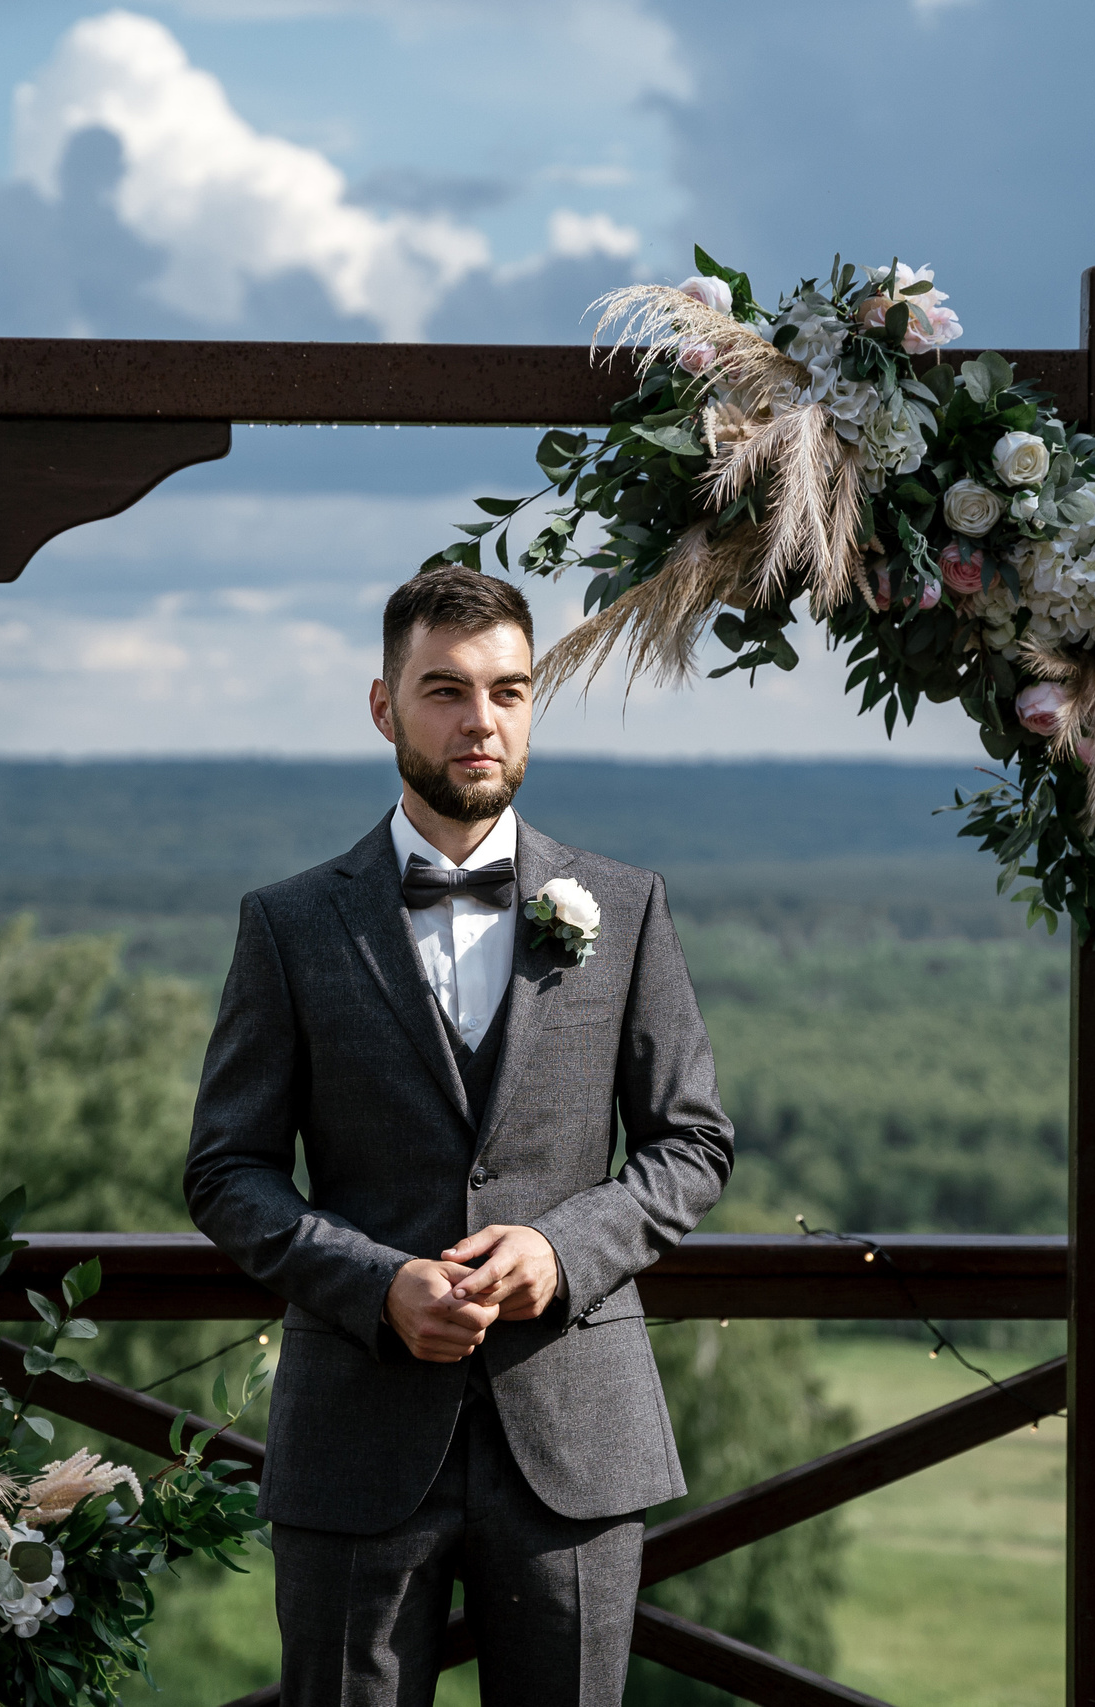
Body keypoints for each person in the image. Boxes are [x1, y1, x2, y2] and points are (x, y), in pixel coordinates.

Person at [184, 566, 734, 1707]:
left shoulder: (624, 907)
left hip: (573, 1441)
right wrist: (376, 1284)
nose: (479, 721)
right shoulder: (287, 925)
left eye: (508, 690)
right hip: (356, 1435)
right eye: (444, 690)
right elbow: (228, 1172)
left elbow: (691, 1144)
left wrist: (562, 1251)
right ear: (384, 707)